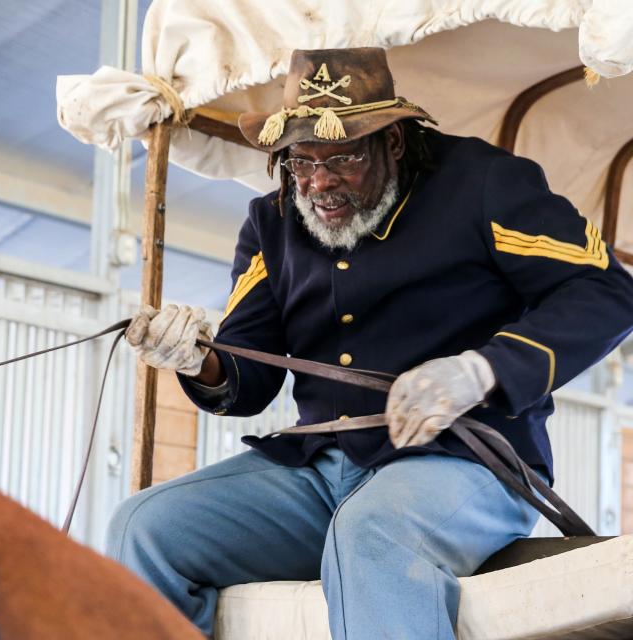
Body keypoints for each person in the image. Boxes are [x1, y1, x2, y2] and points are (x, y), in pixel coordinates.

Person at [106, 47, 633, 639]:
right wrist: (196, 359)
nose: (319, 183)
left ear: (395, 140)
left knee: (373, 532)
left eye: (343, 157)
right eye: (300, 161)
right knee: (142, 527)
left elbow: (608, 291)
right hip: (317, 473)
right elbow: (245, 376)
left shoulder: (483, 184)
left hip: (463, 463)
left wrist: (482, 370)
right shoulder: (271, 222)